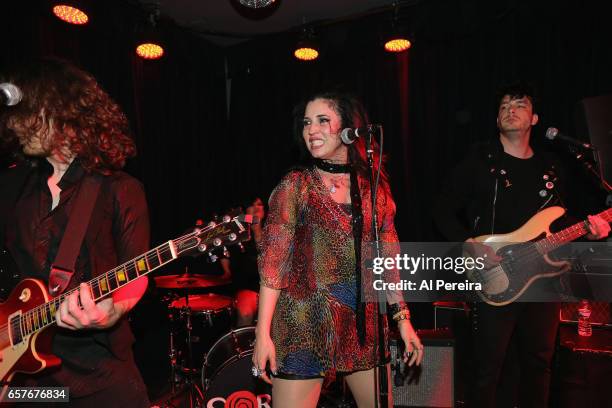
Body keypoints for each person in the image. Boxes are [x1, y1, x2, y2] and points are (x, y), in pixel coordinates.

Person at [433, 81, 610, 407]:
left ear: (535, 119)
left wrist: (591, 229)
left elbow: (559, 226)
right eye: (503, 107)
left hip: (543, 282)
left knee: (539, 365)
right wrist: (468, 243)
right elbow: (442, 209)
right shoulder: (479, 162)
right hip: (496, 276)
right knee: (488, 369)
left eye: (519, 105)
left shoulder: (552, 168)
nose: (510, 111)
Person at [252, 91, 423, 408]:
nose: (311, 130)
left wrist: (402, 319)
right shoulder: (295, 186)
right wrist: (263, 333)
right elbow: (272, 265)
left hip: (363, 327)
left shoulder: (374, 188)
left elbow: (389, 259)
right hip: (303, 327)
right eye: (306, 123)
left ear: (348, 129)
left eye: (322, 121)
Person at [0, 58, 150, 407]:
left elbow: (137, 270)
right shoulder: (12, 186)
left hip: (98, 374)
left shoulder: (120, 189)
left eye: (27, 112)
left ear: (62, 112)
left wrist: (111, 312)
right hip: (29, 381)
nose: (15, 123)